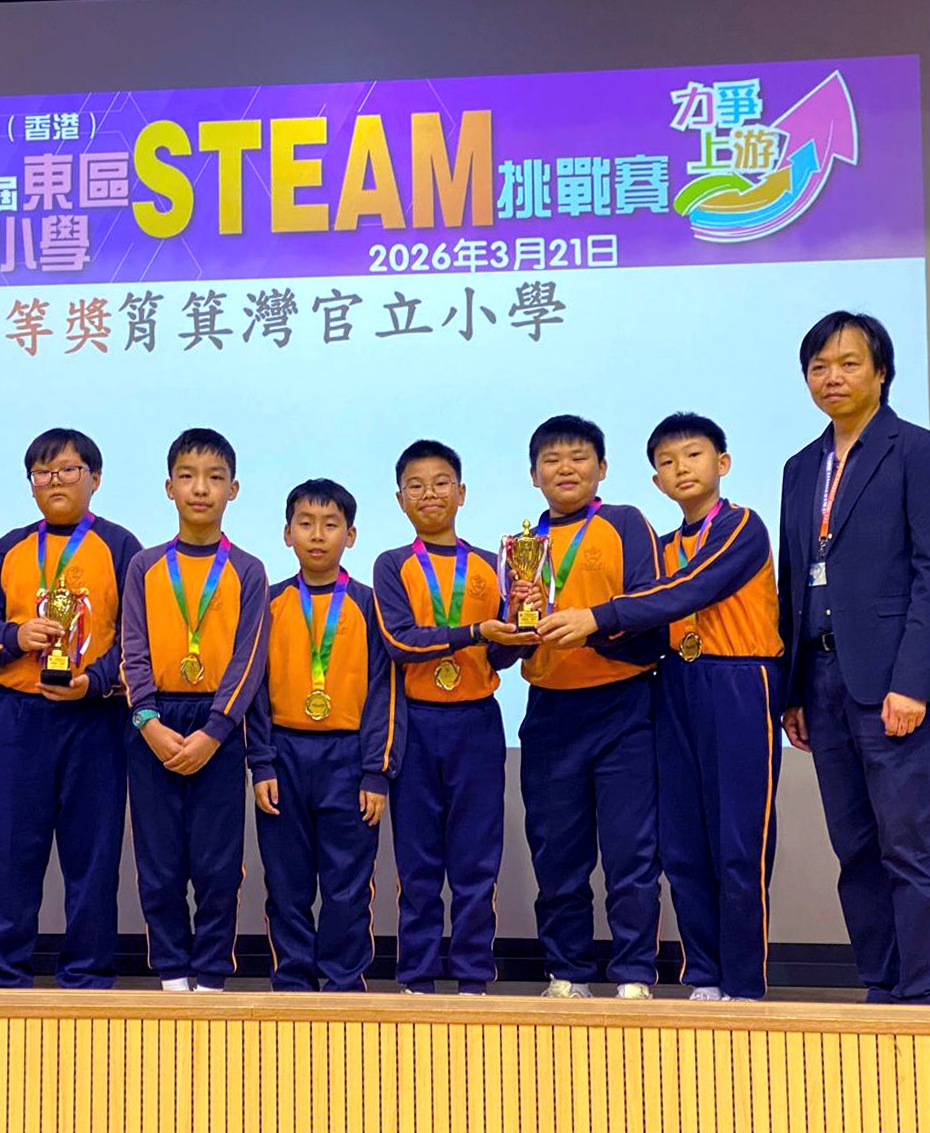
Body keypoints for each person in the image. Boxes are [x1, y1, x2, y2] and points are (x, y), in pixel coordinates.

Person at [538, 413, 784, 1000]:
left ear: (722, 463)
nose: (681, 469)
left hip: (738, 680)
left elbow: (688, 591)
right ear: (655, 480)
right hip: (674, 681)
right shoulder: (664, 544)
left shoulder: (742, 526)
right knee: (682, 844)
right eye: (667, 462)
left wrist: (596, 617)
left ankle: (743, 982)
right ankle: (704, 973)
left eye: (693, 455)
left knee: (739, 840)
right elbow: (651, 613)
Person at [777, 312, 930, 1005]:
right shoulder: (801, 467)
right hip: (821, 678)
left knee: (906, 844)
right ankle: (881, 987)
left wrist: (912, 682)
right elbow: (795, 580)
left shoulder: (922, 453)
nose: (833, 377)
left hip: (893, 682)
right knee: (854, 848)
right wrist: (794, 690)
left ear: (881, 371)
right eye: (819, 367)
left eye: (849, 363)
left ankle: (924, 994)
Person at [0, 428, 140, 989]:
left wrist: (95, 682)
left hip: (95, 718)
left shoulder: (121, 548)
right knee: (8, 851)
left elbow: (139, 640)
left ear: (95, 478)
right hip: (19, 716)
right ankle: (3, 973)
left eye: (69, 470)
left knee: (92, 854)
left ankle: (88, 975)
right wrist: (16, 636)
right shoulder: (11, 548)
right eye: (42, 473)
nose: (55, 482)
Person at [512, 415, 664, 999]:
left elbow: (652, 615)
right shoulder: (522, 545)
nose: (565, 468)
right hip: (551, 711)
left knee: (631, 851)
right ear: (534, 476)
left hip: (624, 706)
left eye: (579, 457)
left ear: (602, 468)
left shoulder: (625, 523)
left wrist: (590, 629)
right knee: (557, 852)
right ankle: (567, 971)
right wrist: (515, 622)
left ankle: (634, 973)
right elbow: (508, 644)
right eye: (551, 460)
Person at [371, 439, 524, 995]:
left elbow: (500, 656)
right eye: (415, 486)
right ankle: (416, 978)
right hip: (415, 724)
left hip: (476, 722)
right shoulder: (392, 565)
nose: (429, 494)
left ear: (462, 493)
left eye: (441, 483)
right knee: (418, 864)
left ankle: (474, 978)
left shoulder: (492, 564)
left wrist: (517, 625)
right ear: (400, 499)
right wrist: (475, 631)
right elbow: (400, 641)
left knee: (476, 861)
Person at [120, 428, 268, 992]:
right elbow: (133, 649)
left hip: (219, 727)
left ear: (234, 489)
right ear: (169, 487)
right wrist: (147, 721)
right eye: (187, 476)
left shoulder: (247, 570)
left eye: (214, 478)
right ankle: (172, 976)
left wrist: (215, 731)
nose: (200, 488)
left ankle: (209, 977)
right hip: (153, 723)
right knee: (158, 865)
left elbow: (249, 659)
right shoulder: (145, 566)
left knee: (216, 865)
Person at [248, 479, 404, 991]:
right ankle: (292, 982)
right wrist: (261, 763)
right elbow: (253, 689)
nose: (318, 535)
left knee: (347, 885)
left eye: (331, 525)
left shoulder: (370, 605)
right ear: (287, 534)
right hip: (284, 755)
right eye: (306, 524)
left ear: (350, 535)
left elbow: (384, 692)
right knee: (286, 883)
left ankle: (342, 985)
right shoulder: (267, 604)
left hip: (349, 757)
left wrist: (376, 773)